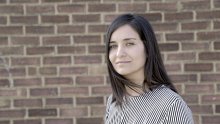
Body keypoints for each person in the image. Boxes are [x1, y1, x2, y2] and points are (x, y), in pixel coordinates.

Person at [104, 13, 194, 124]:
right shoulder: (113, 101)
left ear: (148, 49)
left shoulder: (171, 105)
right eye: (113, 46)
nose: (119, 53)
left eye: (129, 43)